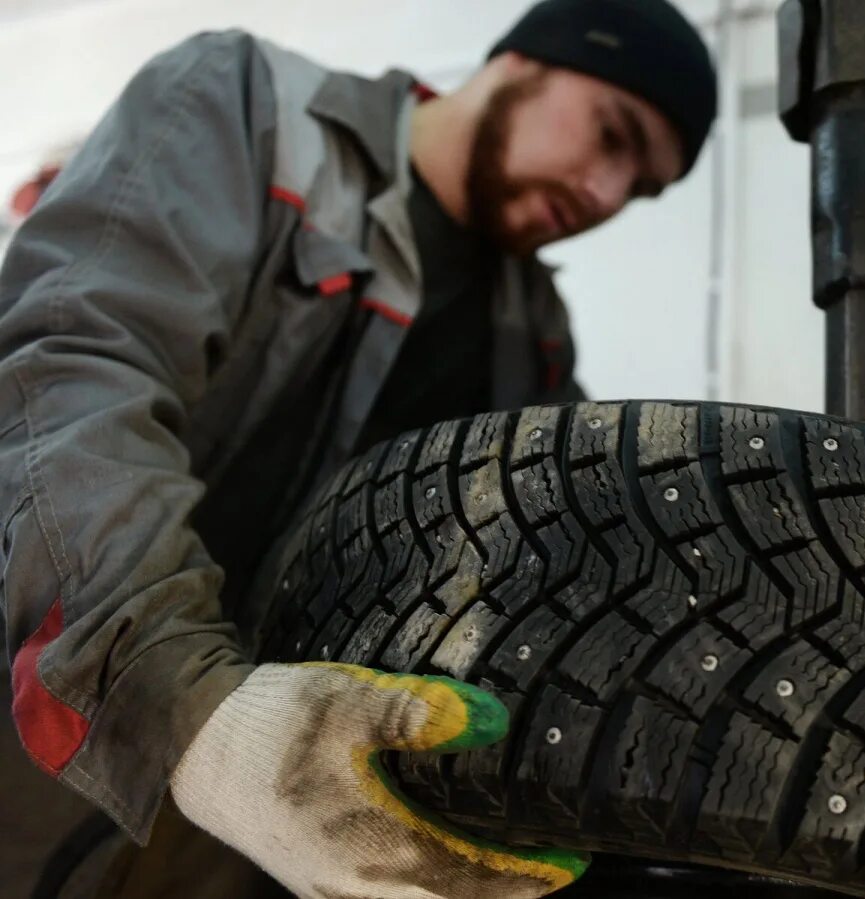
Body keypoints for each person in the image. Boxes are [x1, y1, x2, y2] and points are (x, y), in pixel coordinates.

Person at [0, 0, 716, 896]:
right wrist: (185, 700)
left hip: (275, 776)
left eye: (642, 189)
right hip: (51, 671)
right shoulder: (252, 110)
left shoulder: (532, 335)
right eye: (612, 136)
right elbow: (71, 369)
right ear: (524, 61)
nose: (607, 195)